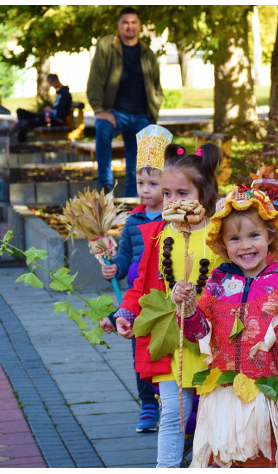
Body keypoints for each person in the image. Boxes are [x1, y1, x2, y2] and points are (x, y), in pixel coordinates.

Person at [173, 187, 278, 468]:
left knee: (269, 461)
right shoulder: (216, 285)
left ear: (270, 236)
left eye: (253, 235)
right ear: (223, 244)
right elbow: (198, 334)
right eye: (234, 239)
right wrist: (189, 308)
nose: (245, 246)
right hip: (224, 399)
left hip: (271, 399)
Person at [113, 143, 223, 467]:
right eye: (167, 194)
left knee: (213, 412)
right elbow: (141, 286)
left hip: (209, 341)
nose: (173, 201)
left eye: (182, 192)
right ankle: (166, 466)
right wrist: (125, 312)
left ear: (203, 193)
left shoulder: (219, 236)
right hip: (170, 340)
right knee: (173, 412)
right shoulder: (157, 236)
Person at [97, 130, 181, 434]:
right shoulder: (133, 221)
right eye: (140, 183)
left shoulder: (174, 219)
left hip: (166, 291)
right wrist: (115, 269)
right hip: (139, 296)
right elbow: (124, 256)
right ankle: (148, 403)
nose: (145, 190)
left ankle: (168, 400)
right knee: (140, 351)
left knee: (167, 350)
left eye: (153, 184)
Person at [87, 7, 164, 198]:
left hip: (140, 116)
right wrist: (99, 110)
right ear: (119, 25)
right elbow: (95, 79)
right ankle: (105, 187)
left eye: (133, 22)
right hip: (115, 113)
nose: (129, 26)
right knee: (102, 129)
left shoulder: (147, 53)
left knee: (136, 167)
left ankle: (132, 204)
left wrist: (152, 113)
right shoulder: (108, 46)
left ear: (139, 26)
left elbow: (156, 86)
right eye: (125, 22)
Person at [12, 74, 72, 142]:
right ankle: (20, 127)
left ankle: (19, 139)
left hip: (53, 120)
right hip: (47, 116)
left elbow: (63, 113)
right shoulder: (60, 94)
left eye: (51, 83)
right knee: (20, 112)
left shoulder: (65, 95)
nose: (51, 86)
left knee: (26, 122)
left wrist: (51, 110)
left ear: (56, 81)